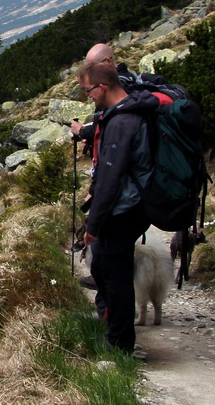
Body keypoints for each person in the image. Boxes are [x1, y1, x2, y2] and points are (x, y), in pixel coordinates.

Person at [77, 60, 157, 354]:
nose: (88, 96)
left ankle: (120, 342)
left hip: (124, 210)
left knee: (115, 273)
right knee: (109, 268)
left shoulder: (122, 122)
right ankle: (117, 334)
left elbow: (111, 178)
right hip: (135, 207)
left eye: (88, 91)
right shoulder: (133, 112)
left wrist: (93, 226)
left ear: (103, 86)